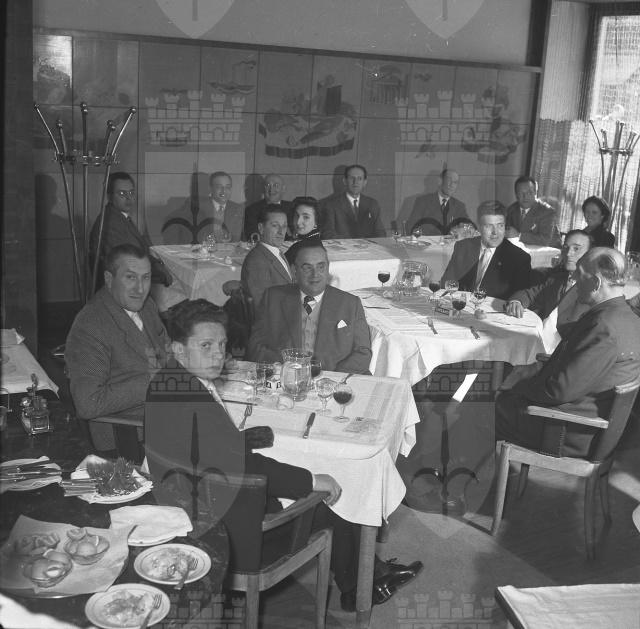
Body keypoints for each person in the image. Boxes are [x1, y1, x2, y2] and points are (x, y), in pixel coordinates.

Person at [145, 299, 422, 612]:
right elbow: (244, 466)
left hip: (192, 503)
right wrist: (313, 480)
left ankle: (367, 574)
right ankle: (361, 587)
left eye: (222, 344)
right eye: (205, 345)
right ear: (178, 349)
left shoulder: (165, 383)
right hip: (234, 533)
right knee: (341, 498)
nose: (218, 354)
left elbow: (206, 447)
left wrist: (238, 441)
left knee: (308, 473)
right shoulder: (194, 401)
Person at [496, 247, 640, 458]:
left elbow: (559, 391)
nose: (574, 280)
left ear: (596, 283)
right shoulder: (627, 317)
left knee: (482, 408)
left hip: (564, 431)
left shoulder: (604, 326)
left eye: (579, 274)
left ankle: (470, 476)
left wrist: (518, 388)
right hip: (581, 422)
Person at [65, 244, 169, 450]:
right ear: (109, 279)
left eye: (146, 278)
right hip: (130, 436)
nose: (140, 289)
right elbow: (87, 404)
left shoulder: (146, 306)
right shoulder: (91, 326)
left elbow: (167, 352)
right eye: (130, 277)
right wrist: (155, 381)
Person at [247, 243, 371, 373]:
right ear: (294, 271)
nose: (315, 274)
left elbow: (363, 352)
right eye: (307, 268)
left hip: (332, 379)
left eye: (321, 267)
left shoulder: (351, 304)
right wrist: (283, 369)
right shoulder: (273, 298)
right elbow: (255, 346)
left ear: (328, 268)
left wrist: (334, 377)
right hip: (286, 377)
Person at [88, 172, 173, 290]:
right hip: (121, 290)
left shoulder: (120, 217)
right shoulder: (110, 223)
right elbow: (128, 263)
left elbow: (140, 251)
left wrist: (159, 265)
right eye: (122, 193)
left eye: (131, 192)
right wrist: (161, 272)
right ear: (110, 196)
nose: (129, 198)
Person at [441, 201, 532, 299]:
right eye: (488, 226)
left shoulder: (519, 258)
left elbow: (519, 298)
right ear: (479, 227)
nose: (495, 232)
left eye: (500, 225)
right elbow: (447, 283)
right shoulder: (463, 247)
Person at [505, 229, 592, 321]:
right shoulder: (556, 279)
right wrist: (516, 302)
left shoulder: (592, 289)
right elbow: (530, 294)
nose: (568, 253)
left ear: (589, 253)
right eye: (566, 247)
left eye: (576, 249)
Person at [240, 206, 293, 306]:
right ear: (261, 228)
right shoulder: (257, 261)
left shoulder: (277, 252)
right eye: (275, 225)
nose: (281, 232)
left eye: (284, 226)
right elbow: (262, 304)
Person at [321, 164, 386, 239]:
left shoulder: (372, 204)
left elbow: (380, 232)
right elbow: (327, 234)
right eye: (352, 178)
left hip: (369, 246)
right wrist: (352, 243)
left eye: (359, 178)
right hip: (343, 246)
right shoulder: (331, 205)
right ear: (345, 181)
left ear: (365, 182)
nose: (355, 182)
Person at [406, 168, 469, 234]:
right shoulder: (422, 201)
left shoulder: (459, 206)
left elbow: (468, 227)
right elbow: (412, 227)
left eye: (455, 182)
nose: (452, 185)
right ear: (440, 181)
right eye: (449, 180)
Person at [505, 176, 561, 247]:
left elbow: (545, 240)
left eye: (529, 192)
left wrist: (519, 235)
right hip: (522, 249)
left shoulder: (547, 211)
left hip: (549, 251)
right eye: (521, 193)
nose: (525, 196)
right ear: (516, 195)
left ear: (535, 193)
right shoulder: (511, 209)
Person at [243, 174, 292, 241]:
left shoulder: (292, 207)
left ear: (283, 189)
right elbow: (253, 236)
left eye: (276, 185)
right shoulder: (252, 210)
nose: (271, 189)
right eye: (268, 185)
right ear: (263, 189)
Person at [206, 171, 244, 242]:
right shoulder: (201, 207)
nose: (224, 191)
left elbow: (237, 238)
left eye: (227, 187)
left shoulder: (238, 209)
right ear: (210, 188)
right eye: (219, 187)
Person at [284, 196, 323, 265]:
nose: (298, 222)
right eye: (296, 215)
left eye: (306, 217)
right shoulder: (317, 242)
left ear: (316, 221)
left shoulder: (298, 248)